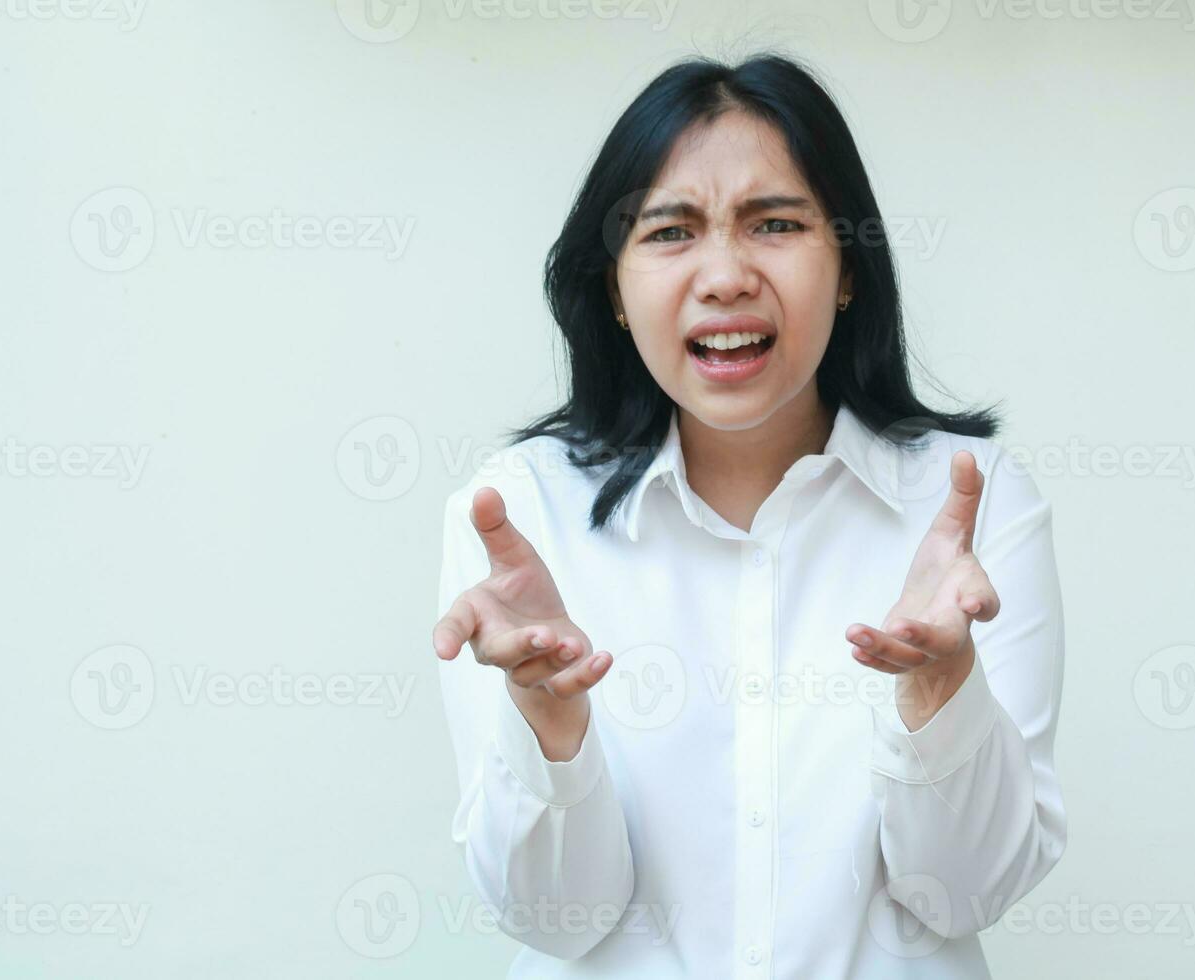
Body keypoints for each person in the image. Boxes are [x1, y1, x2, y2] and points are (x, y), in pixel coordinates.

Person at [431, 51, 1066, 979]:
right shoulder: (520, 519)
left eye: (775, 224)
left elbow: (966, 894)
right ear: (612, 287)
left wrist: (941, 696)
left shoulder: (972, 504)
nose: (725, 276)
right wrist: (544, 717)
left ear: (848, 267)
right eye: (670, 231)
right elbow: (556, 921)